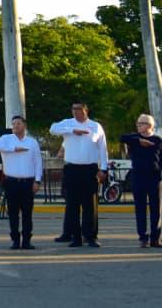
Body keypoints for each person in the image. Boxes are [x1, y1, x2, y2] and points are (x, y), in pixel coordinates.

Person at [50, 101, 108, 248]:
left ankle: (90, 236)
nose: (75, 111)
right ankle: (75, 237)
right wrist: (72, 130)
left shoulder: (95, 126)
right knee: (72, 205)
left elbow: (103, 148)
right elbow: (53, 129)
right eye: (73, 109)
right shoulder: (67, 123)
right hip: (72, 169)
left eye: (78, 109)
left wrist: (104, 168)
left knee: (90, 205)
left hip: (90, 169)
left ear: (86, 110)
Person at [120, 114, 162, 248]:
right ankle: (143, 237)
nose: (138, 125)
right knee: (140, 209)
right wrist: (139, 141)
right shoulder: (133, 138)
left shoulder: (157, 140)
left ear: (149, 126)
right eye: (138, 123)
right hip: (138, 177)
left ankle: (155, 238)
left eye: (141, 123)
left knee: (156, 209)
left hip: (154, 178)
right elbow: (122, 138)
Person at [0, 116, 42, 250]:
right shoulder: (6, 139)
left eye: (18, 123)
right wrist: (14, 148)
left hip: (28, 182)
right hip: (11, 182)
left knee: (27, 213)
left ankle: (26, 240)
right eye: (13, 124)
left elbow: (38, 162)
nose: (15, 126)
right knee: (13, 213)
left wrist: (37, 180)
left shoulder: (32, 142)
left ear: (24, 125)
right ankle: (15, 240)